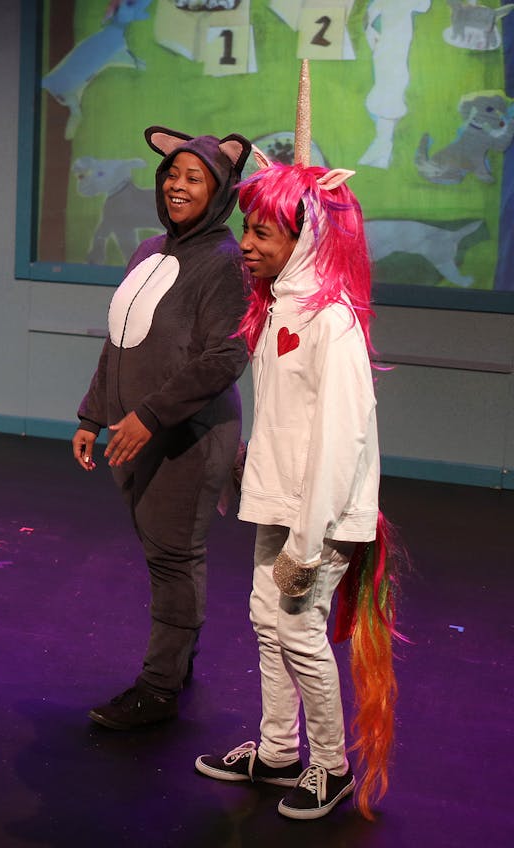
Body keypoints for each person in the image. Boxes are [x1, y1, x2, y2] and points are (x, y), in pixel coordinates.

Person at [194, 160, 402, 821]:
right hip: (282, 504)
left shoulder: (331, 322)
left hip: (322, 516)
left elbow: (341, 441)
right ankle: (279, 749)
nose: (246, 244)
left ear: (305, 236)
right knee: (267, 623)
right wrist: (256, 475)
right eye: (245, 229)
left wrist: (308, 544)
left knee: (299, 628)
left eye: (262, 232)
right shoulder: (279, 304)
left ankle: (331, 766)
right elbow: (289, 418)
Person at [72, 126, 252, 730]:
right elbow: (118, 342)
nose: (177, 185)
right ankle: (178, 662)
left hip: (189, 437)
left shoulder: (226, 261)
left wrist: (149, 416)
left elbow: (227, 355)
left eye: (193, 178)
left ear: (220, 189)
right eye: (172, 175)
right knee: (161, 554)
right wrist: (93, 414)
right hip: (132, 434)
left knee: (175, 557)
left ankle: (158, 688)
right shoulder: (148, 250)